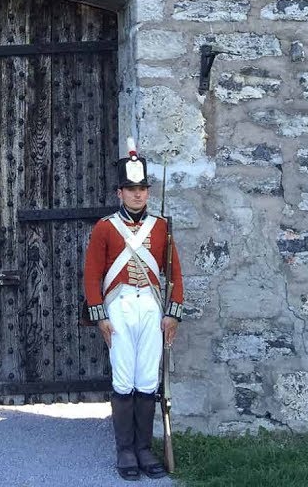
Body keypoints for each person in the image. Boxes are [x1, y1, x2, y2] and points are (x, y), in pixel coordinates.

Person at [82, 138, 185, 481]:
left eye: (142, 189)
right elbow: (92, 274)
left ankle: (144, 448)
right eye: (131, 189)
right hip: (121, 309)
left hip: (152, 309)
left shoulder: (162, 227)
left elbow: (175, 274)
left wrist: (172, 313)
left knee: (146, 379)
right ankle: (125, 450)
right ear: (119, 193)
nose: (138, 195)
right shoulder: (105, 228)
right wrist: (100, 317)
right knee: (124, 380)